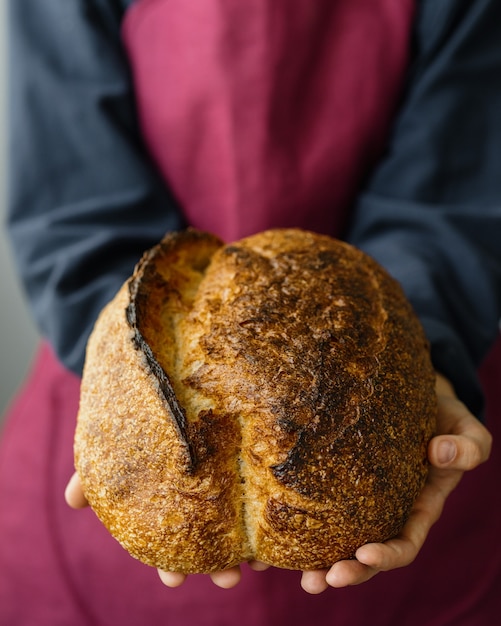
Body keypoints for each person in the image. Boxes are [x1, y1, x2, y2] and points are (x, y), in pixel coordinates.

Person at [1, 0, 500, 624]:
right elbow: (74, 206)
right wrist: (131, 403)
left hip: (397, 402)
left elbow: (447, 198)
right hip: (112, 427)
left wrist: (431, 340)